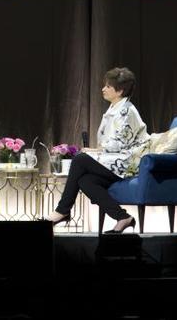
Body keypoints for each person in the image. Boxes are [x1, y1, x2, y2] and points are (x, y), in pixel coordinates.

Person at [46, 67, 150, 233]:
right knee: (86, 181)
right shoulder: (113, 108)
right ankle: (123, 218)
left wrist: (94, 151)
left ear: (120, 90)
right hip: (115, 160)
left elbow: (120, 144)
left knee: (80, 159)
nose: (103, 89)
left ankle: (63, 210)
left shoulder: (127, 110)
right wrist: (96, 151)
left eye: (108, 86)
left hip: (128, 162)